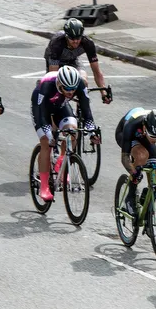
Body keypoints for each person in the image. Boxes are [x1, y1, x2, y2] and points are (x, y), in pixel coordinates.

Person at [44, 17, 110, 129]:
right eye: (72, 38)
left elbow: (96, 71)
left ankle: (81, 108)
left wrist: (103, 92)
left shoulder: (87, 43)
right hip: (56, 64)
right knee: (57, 90)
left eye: (78, 38)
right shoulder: (57, 44)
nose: (76, 41)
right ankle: (58, 119)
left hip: (72, 61)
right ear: (66, 36)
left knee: (83, 80)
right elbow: (54, 75)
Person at [30, 66, 83, 202]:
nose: (71, 92)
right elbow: (42, 116)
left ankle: (61, 161)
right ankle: (43, 186)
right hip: (41, 107)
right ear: (59, 84)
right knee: (46, 143)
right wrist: (48, 135)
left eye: (73, 89)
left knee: (72, 131)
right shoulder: (47, 85)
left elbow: (87, 109)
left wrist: (92, 128)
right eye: (67, 88)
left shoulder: (78, 84)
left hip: (60, 104)